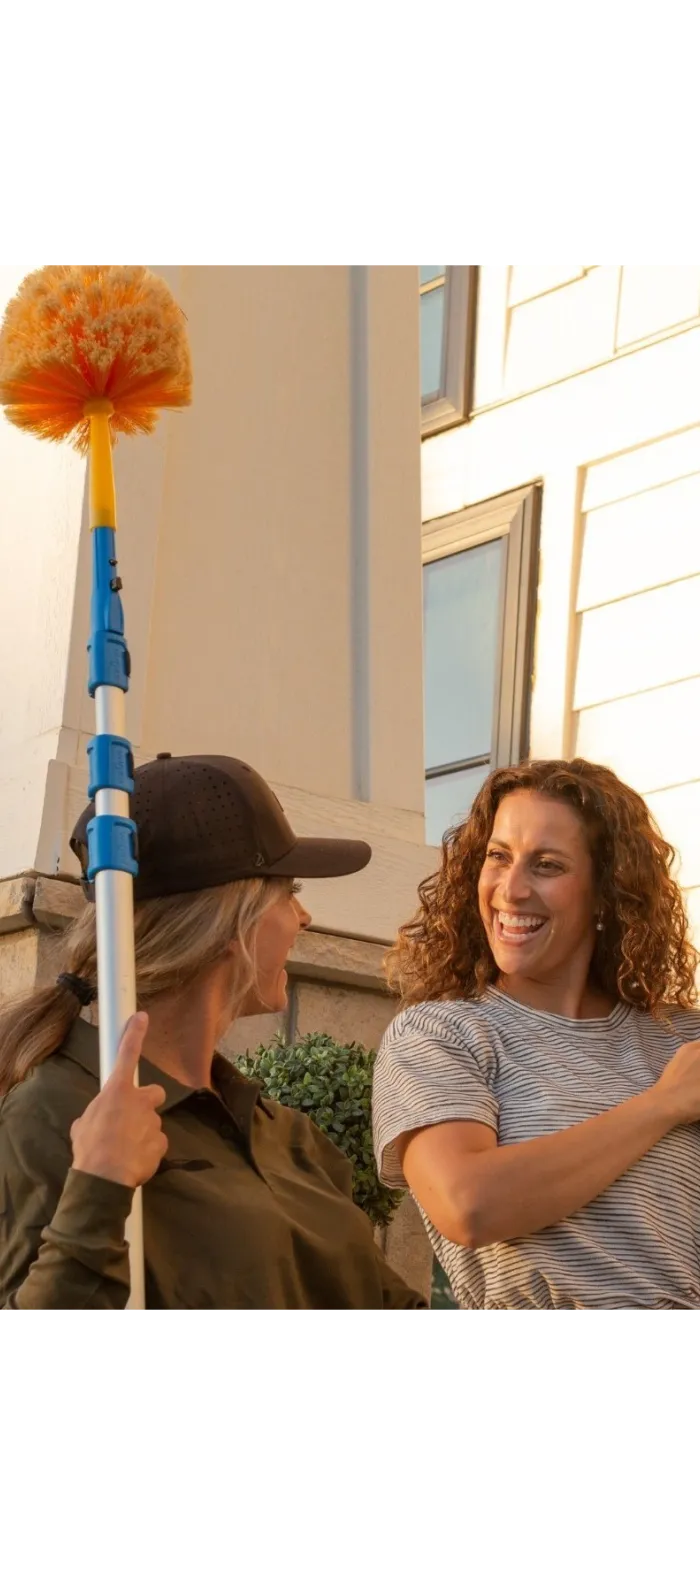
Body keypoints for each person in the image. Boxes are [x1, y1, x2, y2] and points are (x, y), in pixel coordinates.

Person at [0, 752, 426, 1313]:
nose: (303, 917)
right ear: (231, 923)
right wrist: (98, 1187)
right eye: (288, 889)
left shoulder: (285, 1135)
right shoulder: (53, 1113)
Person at [372, 757, 700, 1313]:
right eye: (498, 857)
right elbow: (469, 1204)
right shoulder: (441, 1034)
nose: (512, 889)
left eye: (547, 865)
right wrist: (662, 1106)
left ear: (606, 893)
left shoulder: (678, 1040)